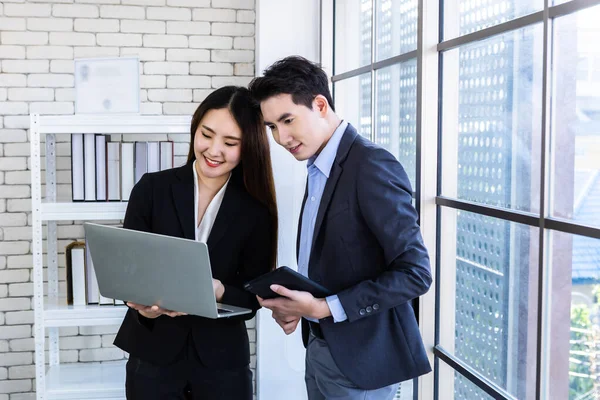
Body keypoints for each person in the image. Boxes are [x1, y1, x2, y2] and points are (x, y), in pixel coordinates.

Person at [249, 56, 432, 400]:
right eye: (272, 127)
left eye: (287, 120)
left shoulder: (371, 165)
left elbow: (415, 273)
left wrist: (322, 308)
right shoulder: (319, 164)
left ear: (320, 105)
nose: (281, 137)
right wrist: (298, 307)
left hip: (362, 359)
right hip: (321, 346)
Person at [113, 86, 278, 400]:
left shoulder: (256, 210)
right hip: (153, 355)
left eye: (230, 143)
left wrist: (218, 291)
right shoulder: (152, 189)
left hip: (222, 363)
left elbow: (253, 299)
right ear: (195, 130)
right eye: (206, 134)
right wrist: (144, 310)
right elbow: (128, 269)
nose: (214, 151)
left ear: (248, 148)